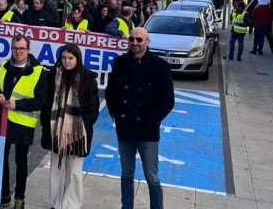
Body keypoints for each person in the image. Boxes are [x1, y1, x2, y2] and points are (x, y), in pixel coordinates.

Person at [105, 28, 175, 209]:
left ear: (147, 42)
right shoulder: (120, 62)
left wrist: (152, 120)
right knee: (126, 174)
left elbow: (167, 100)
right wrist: (116, 116)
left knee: (152, 176)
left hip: (148, 131)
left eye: (139, 40)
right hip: (125, 128)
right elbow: (110, 92)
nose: (134, 43)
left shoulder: (160, 66)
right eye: (132, 39)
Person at [0, 35, 48, 209]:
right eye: (15, 48)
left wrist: (18, 104)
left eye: (22, 48)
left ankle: (20, 198)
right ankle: (4, 195)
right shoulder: (4, 67)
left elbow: (42, 100)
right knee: (2, 161)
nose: (18, 52)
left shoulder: (39, 71)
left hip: (23, 124)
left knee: (21, 162)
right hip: (3, 121)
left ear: (28, 50)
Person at [41, 43, 99, 209]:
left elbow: (93, 108)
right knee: (56, 171)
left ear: (77, 58)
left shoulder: (87, 77)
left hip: (78, 133)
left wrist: (82, 127)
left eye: (70, 58)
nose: (67, 62)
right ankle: (55, 204)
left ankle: (71, 205)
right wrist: (47, 123)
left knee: (74, 173)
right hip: (55, 132)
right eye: (64, 58)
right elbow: (46, 103)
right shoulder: (53, 75)